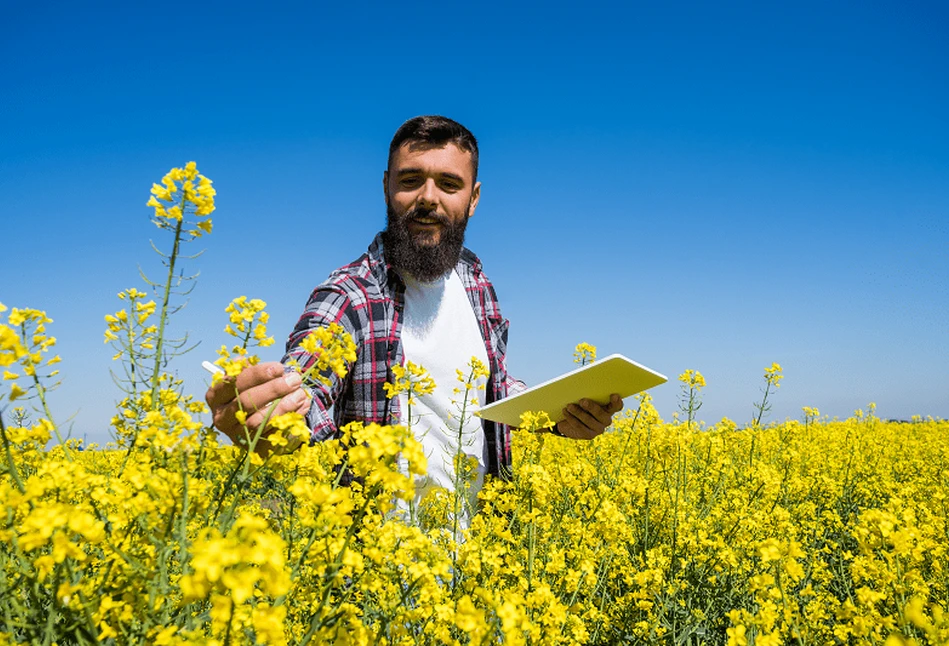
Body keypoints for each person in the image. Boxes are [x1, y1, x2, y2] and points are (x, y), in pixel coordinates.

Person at [206, 115, 622, 495]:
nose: (428, 197)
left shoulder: (477, 285)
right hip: (375, 567)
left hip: (476, 564)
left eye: (449, 184)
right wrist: (278, 414)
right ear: (386, 187)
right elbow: (309, 387)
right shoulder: (350, 294)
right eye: (410, 181)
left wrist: (558, 414)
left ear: (474, 198)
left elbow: (484, 386)